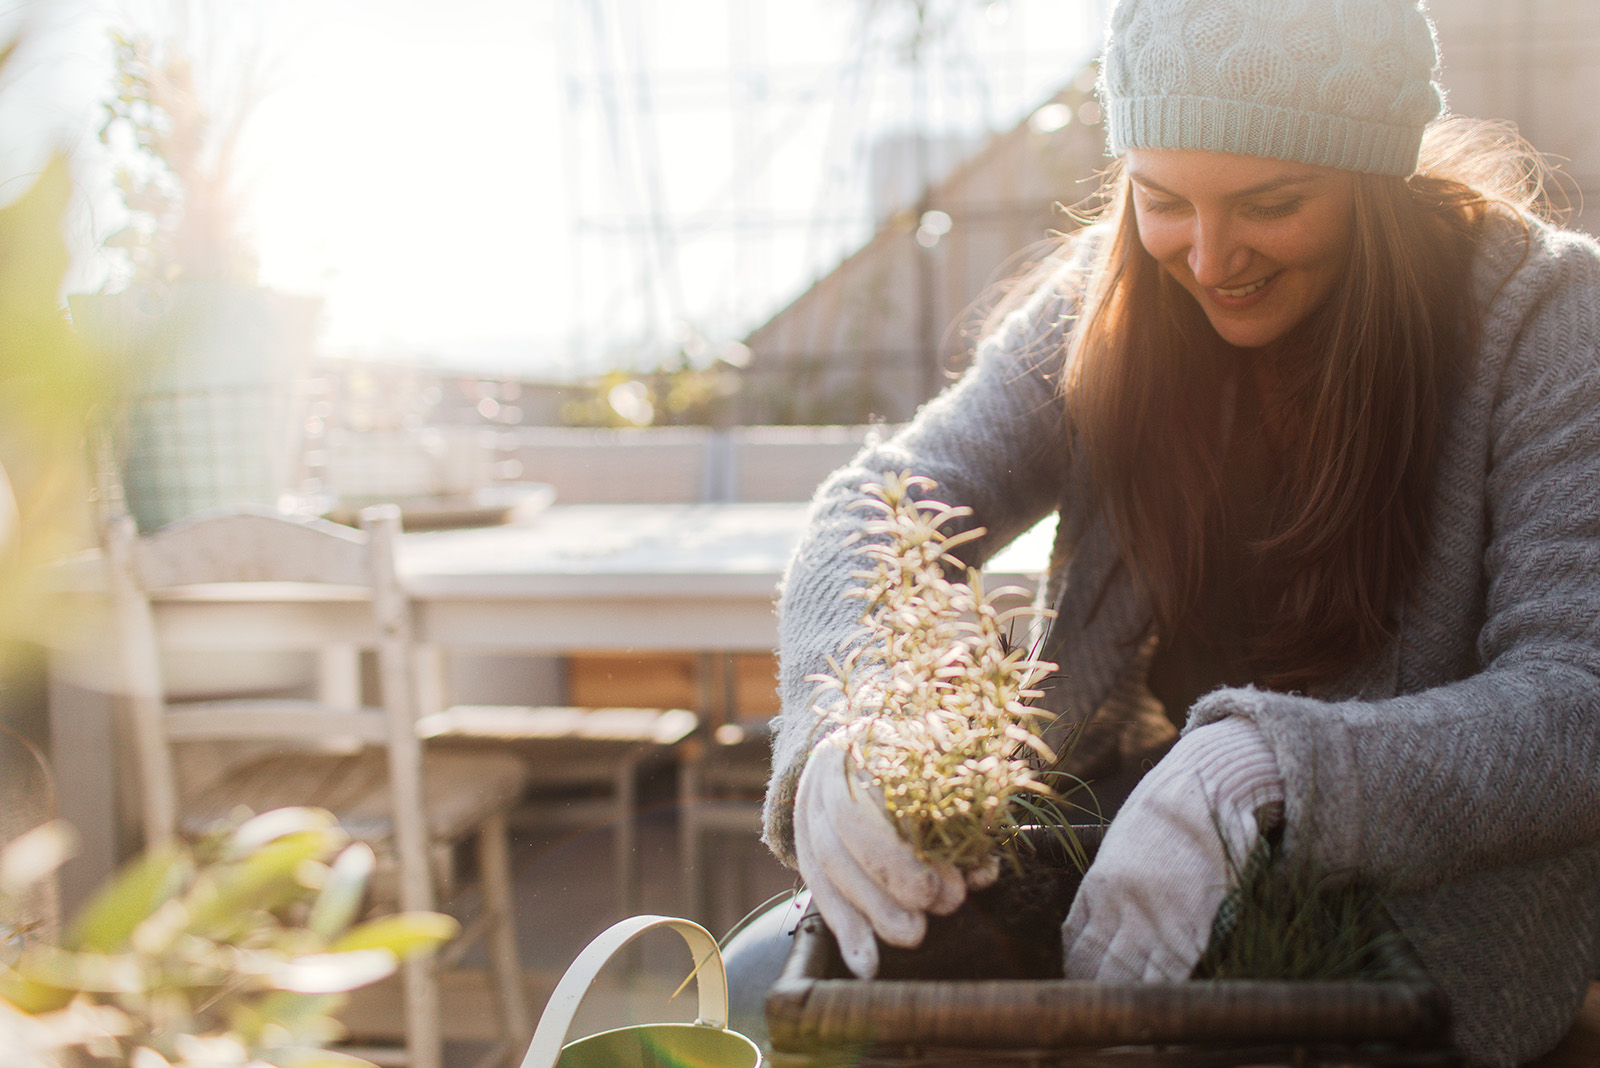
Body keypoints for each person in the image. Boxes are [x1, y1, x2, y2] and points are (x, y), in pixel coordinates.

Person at [735, 0, 1600, 1065]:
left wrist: (1262, 769)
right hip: (1127, 856)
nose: (1207, 256)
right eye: (1161, 199)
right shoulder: (1114, 294)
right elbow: (889, 497)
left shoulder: (1549, 319)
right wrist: (849, 710)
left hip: (1414, 942)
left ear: (1376, 179)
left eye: (1270, 201)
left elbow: (1576, 700)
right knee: (765, 985)